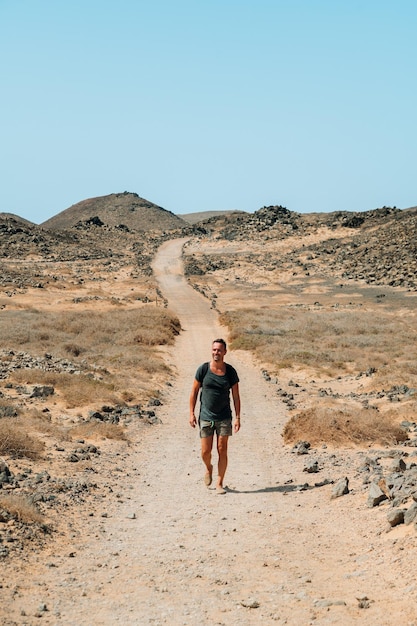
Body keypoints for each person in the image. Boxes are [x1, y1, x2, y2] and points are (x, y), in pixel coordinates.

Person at [189, 338, 241, 494]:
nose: (216, 352)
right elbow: (194, 392)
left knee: (222, 449)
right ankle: (209, 468)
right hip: (206, 416)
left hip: (224, 416)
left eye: (219, 350)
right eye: (214, 350)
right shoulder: (203, 369)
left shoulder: (230, 372)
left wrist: (238, 417)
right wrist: (191, 413)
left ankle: (219, 483)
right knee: (205, 452)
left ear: (225, 352)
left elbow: (236, 396)